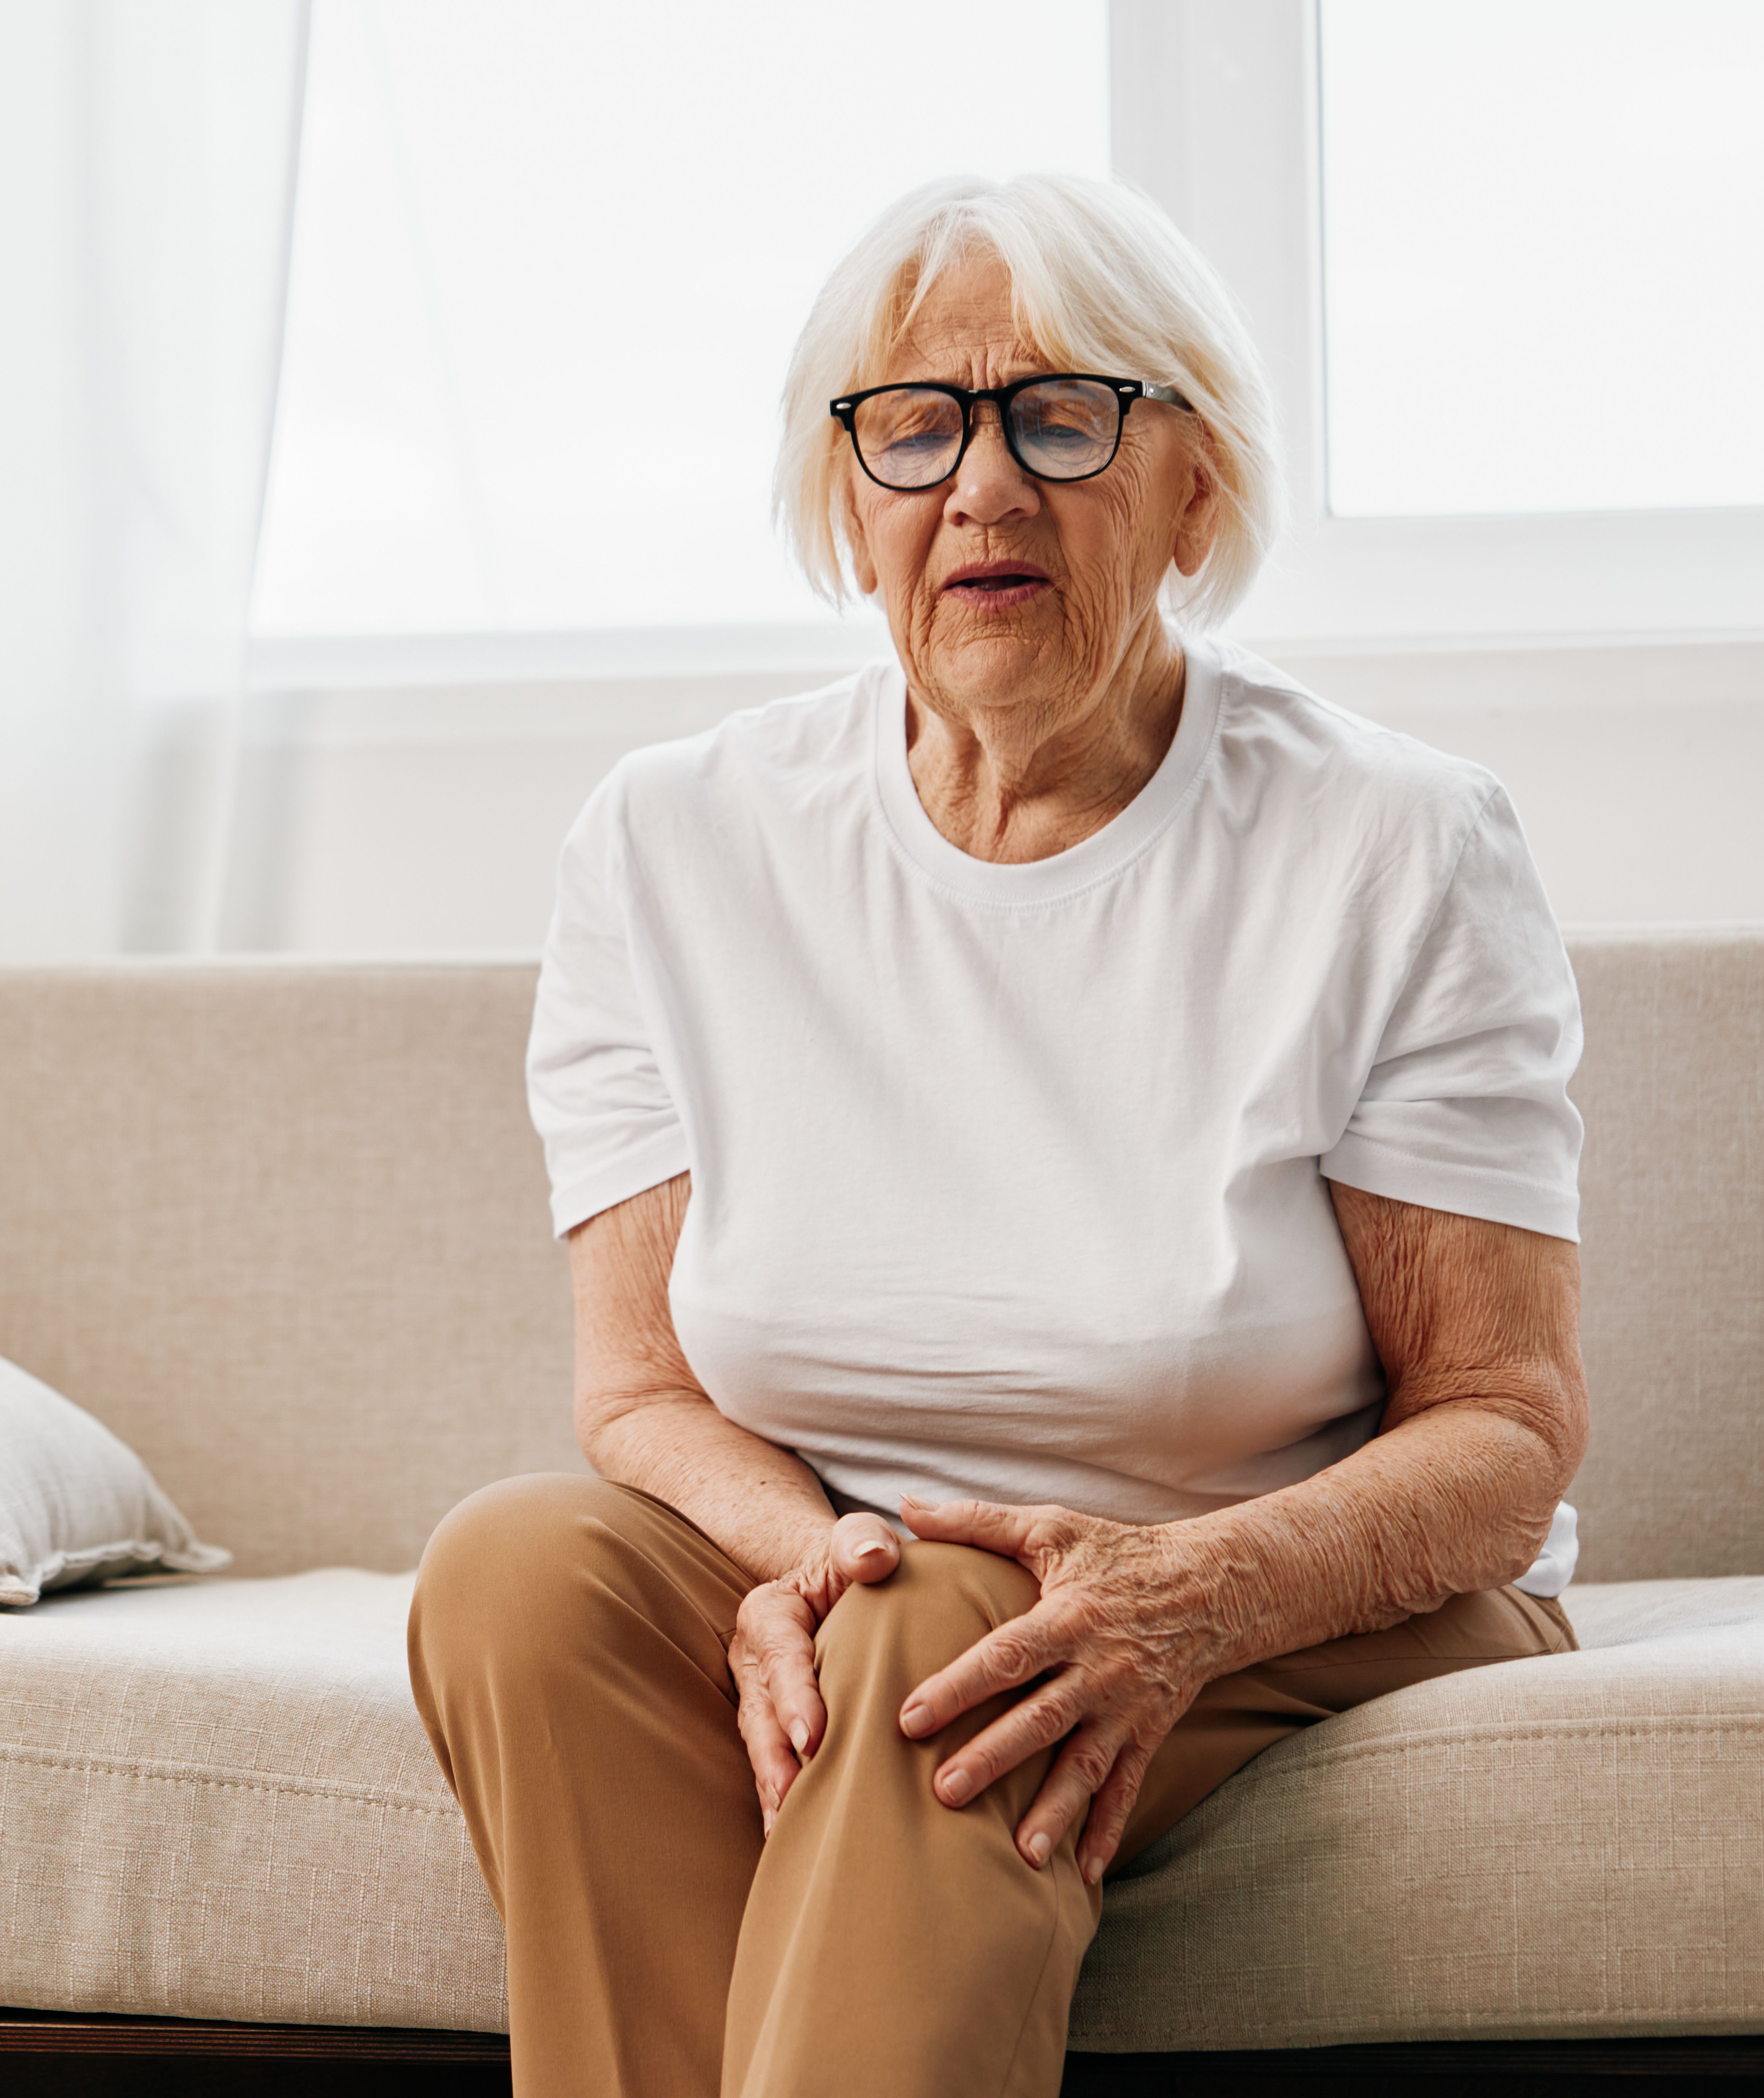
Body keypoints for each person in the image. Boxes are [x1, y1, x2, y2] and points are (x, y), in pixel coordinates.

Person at [407, 172, 1587, 2098]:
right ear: (842, 494)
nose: (983, 486)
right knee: (519, 1577)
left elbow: (1507, 1434)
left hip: (1293, 1583)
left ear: (1196, 478)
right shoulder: (672, 840)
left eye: (1064, 414)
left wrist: (1182, 1599)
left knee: (944, 1648)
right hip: (861, 1573)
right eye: (916, 423)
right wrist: (808, 1561)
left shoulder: (1398, 844)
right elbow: (635, 1396)